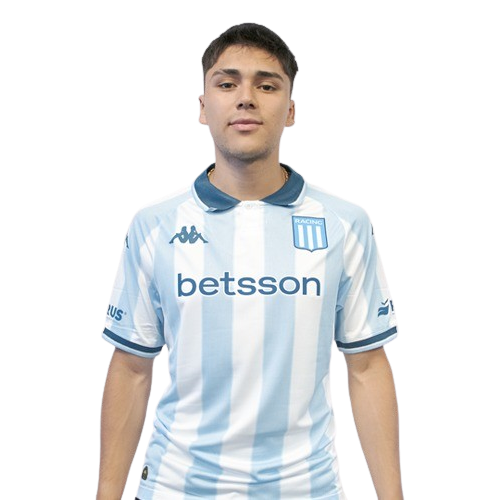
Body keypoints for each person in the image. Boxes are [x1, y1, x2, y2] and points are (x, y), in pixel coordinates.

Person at [97, 22, 403, 500]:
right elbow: (133, 367)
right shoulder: (154, 224)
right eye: (227, 84)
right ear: (203, 108)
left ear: (291, 110)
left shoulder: (345, 222)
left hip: (307, 488)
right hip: (178, 487)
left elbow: (365, 365)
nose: (246, 98)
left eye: (266, 85)